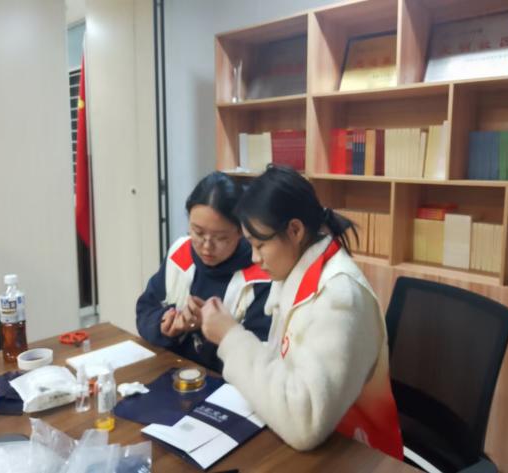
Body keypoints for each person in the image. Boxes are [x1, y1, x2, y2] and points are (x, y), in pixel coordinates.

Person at [200, 165, 403, 458]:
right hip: (322, 448)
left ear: (295, 230)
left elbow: (304, 423)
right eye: (250, 245)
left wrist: (231, 337)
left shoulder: (339, 297)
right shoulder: (296, 273)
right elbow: (282, 369)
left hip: (360, 456)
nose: (255, 258)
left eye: (260, 245)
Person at [136, 171, 271, 373]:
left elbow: (259, 360)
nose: (207, 247)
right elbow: (145, 309)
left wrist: (213, 330)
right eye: (198, 232)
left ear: (241, 231)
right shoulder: (180, 253)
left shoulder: (261, 274)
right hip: (174, 373)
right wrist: (166, 325)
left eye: (220, 238)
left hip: (226, 385)